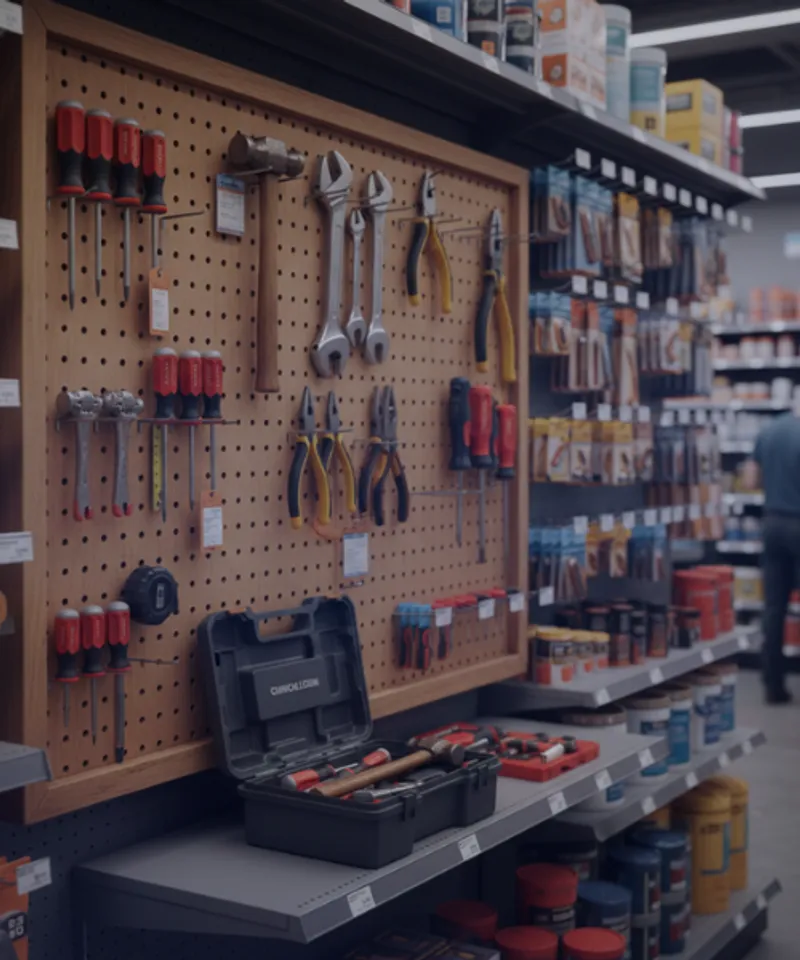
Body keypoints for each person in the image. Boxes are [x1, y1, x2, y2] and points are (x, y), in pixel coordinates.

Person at [745, 411, 800, 704]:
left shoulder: (770, 431)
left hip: (774, 523)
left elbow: (751, 480)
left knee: (774, 607)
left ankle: (773, 684)